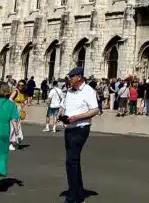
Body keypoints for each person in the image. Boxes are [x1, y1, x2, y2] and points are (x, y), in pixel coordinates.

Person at [60, 67, 100, 203]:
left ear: (79, 77)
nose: (69, 79)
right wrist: (62, 114)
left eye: (71, 77)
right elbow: (64, 106)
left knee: (71, 161)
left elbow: (95, 110)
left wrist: (77, 117)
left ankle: (74, 196)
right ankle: (79, 190)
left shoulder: (88, 91)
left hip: (80, 128)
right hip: (69, 128)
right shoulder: (70, 91)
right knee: (74, 160)